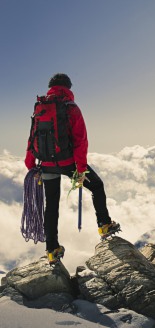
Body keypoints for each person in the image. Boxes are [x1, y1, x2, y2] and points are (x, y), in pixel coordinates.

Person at [25, 73, 120, 264]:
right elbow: (80, 141)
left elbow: (31, 137)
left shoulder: (40, 107)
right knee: (97, 186)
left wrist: (31, 166)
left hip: (46, 165)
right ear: (68, 87)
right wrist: (81, 170)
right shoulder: (71, 108)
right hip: (68, 162)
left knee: (51, 206)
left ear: (50, 87)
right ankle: (104, 225)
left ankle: (52, 249)